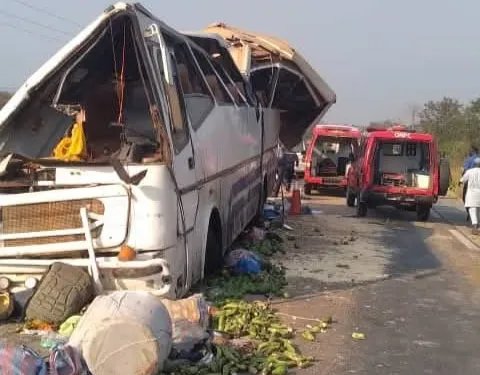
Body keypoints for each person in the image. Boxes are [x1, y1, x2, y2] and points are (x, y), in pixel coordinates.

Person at [460, 157, 480, 234]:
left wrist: (460, 182)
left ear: (474, 164)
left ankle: (475, 226)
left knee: (472, 210)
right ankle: (478, 225)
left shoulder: (470, 171)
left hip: (472, 193)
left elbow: (463, 179)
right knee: (478, 210)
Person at [462, 146, 479, 221]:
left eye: (470, 150)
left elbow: (465, 170)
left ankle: (470, 212)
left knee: (465, 198)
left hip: (470, 181)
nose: (469, 152)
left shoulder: (469, 159)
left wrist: (462, 179)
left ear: (473, 151)